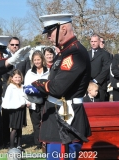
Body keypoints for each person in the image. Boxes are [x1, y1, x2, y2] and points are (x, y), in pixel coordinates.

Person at [24, 14, 91, 160]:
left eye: (50, 32)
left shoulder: (75, 53)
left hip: (66, 120)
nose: (48, 36)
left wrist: (37, 84)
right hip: (57, 118)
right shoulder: (63, 52)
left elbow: (57, 88)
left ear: (64, 29)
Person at [1, 37, 31, 148]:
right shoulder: (5, 59)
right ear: (9, 45)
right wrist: (6, 90)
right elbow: (3, 77)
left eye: (17, 44)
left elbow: (27, 75)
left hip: (20, 93)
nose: (15, 46)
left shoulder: (25, 58)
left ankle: (18, 143)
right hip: (8, 94)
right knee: (6, 120)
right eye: (12, 44)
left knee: (18, 122)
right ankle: (6, 141)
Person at [24, 50, 49, 150]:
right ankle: (38, 143)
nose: (37, 62)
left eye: (38, 59)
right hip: (33, 102)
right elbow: (25, 88)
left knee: (46, 122)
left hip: (45, 100)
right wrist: (27, 101)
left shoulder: (48, 71)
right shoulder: (29, 73)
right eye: (35, 60)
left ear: (42, 60)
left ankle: (46, 141)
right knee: (36, 123)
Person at [1, 69, 29, 151]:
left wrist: (27, 102)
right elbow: (8, 100)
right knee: (14, 128)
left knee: (20, 128)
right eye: (15, 77)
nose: (17, 79)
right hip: (15, 111)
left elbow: (25, 96)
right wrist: (17, 105)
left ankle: (19, 145)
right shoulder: (10, 87)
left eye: (19, 77)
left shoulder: (22, 86)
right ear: (12, 78)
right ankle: (12, 146)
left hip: (22, 110)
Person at [88, 34, 111, 101]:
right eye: (92, 41)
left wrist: (96, 80)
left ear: (99, 42)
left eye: (95, 41)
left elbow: (106, 68)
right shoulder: (87, 53)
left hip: (100, 85)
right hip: (88, 85)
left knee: (100, 108)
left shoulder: (105, 54)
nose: (93, 43)